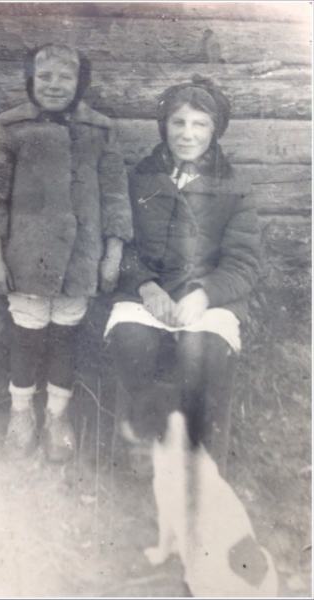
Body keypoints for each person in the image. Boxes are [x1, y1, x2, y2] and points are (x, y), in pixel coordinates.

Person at [0, 43, 132, 462]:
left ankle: (57, 417)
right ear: (30, 80)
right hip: (25, 258)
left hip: (81, 258)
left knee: (65, 339)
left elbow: (116, 195)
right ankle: (21, 414)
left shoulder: (100, 130)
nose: (55, 85)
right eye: (44, 76)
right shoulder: (11, 129)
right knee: (27, 338)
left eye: (66, 77)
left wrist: (112, 254)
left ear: (81, 82)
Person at [106, 74, 261, 476]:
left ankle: (193, 447)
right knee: (132, 341)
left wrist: (204, 294)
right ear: (164, 126)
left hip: (208, 298)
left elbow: (243, 262)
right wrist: (145, 285)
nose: (187, 134)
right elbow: (121, 243)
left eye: (199, 124)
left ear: (215, 130)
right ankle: (146, 440)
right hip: (146, 293)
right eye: (178, 122)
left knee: (200, 352)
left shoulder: (235, 187)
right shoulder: (140, 179)